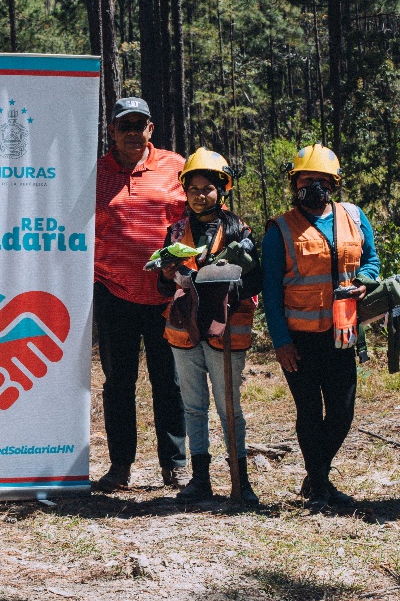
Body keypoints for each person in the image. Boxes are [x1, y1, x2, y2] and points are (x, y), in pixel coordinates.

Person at [261, 144, 380, 509]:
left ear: (334, 184)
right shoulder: (279, 229)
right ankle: (321, 485)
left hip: (342, 334)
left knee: (342, 412)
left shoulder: (354, 217)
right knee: (310, 412)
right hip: (299, 340)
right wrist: (281, 342)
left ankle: (315, 476)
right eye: (306, 179)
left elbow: (371, 259)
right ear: (294, 183)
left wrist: (366, 278)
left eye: (322, 180)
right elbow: (270, 290)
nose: (314, 186)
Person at [93, 97, 188, 492]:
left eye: (139, 124)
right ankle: (120, 466)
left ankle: (176, 465)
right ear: (112, 131)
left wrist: (182, 270)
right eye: (124, 125)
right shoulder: (94, 172)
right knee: (118, 383)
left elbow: (191, 221)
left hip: (166, 294)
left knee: (170, 381)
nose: (133, 132)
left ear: (151, 128)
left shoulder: (176, 166)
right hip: (114, 292)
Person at [157, 149, 260, 504]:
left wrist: (224, 286)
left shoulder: (238, 230)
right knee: (194, 407)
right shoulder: (175, 232)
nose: (201, 195)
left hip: (225, 331)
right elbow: (161, 286)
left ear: (222, 189)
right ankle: (200, 479)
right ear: (185, 191)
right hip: (184, 331)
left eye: (208, 188)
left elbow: (256, 280)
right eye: (194, 188)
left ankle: (240, 481)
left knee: (229, 408)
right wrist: (168, 275)